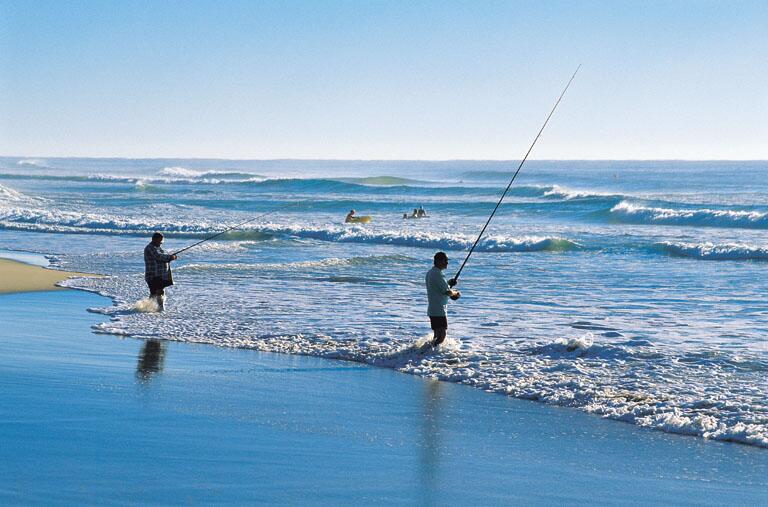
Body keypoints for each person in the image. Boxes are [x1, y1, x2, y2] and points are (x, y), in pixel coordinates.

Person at [425, 251, 460, 346]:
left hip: (433, 309)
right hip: (439, 309)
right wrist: (456, 293)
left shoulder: (431, 272)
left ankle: (427, 352)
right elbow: (447, 292)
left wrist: (448, 283)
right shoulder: (437, 274)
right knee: (442, 335)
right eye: (445, 261)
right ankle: (429, 352)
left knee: (437, 334)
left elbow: (440, 287)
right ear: (438, 261)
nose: (447, 263)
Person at [144, 232, 177, 311]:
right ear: (154, 239)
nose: (161, 243)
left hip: (160, 275)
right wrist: (170, 257)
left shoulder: (158, 248)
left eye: (161, 241)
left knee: (156, 292)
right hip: (152, 275)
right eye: (159, 241)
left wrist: (170, 257)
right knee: (158, 291)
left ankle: (148, 308)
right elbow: (158, 257)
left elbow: (163, 257)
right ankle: (160, 309)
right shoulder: (150, 248)